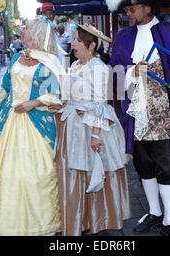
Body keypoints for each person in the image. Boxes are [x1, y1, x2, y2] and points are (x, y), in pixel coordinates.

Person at [106, 0, 170, 236]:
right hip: (136, 111)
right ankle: (154, 212)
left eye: (133, 7)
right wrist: (131, 72)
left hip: (165, 110)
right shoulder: (123, 37)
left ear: (149, 7)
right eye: (127, 8)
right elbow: (114, 75)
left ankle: (169, 220)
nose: (128, 12)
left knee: (168, 163)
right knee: (143, 163)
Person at [0, 16, 65, 236]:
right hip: (8, 121)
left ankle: (39, 224)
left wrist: (33, 103)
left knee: (34, 175)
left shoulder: (50, 63)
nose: (23, 31)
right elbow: (6, 88)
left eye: (26, 28)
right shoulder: (16, 57)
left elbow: (57, 96)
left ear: (36, 33)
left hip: (35, 124)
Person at [51, 23, 131, 236]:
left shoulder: (98, 67)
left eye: (77, 40)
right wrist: (59, 104)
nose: (73, 43)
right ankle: (82, 220)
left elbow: (99, 103)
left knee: (93, 171)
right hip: (72, 125)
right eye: (74, 39)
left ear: (92, 44)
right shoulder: (75, 64)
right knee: (76, 173)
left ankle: (99, 220)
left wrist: (96, 135)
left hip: (89, 126)